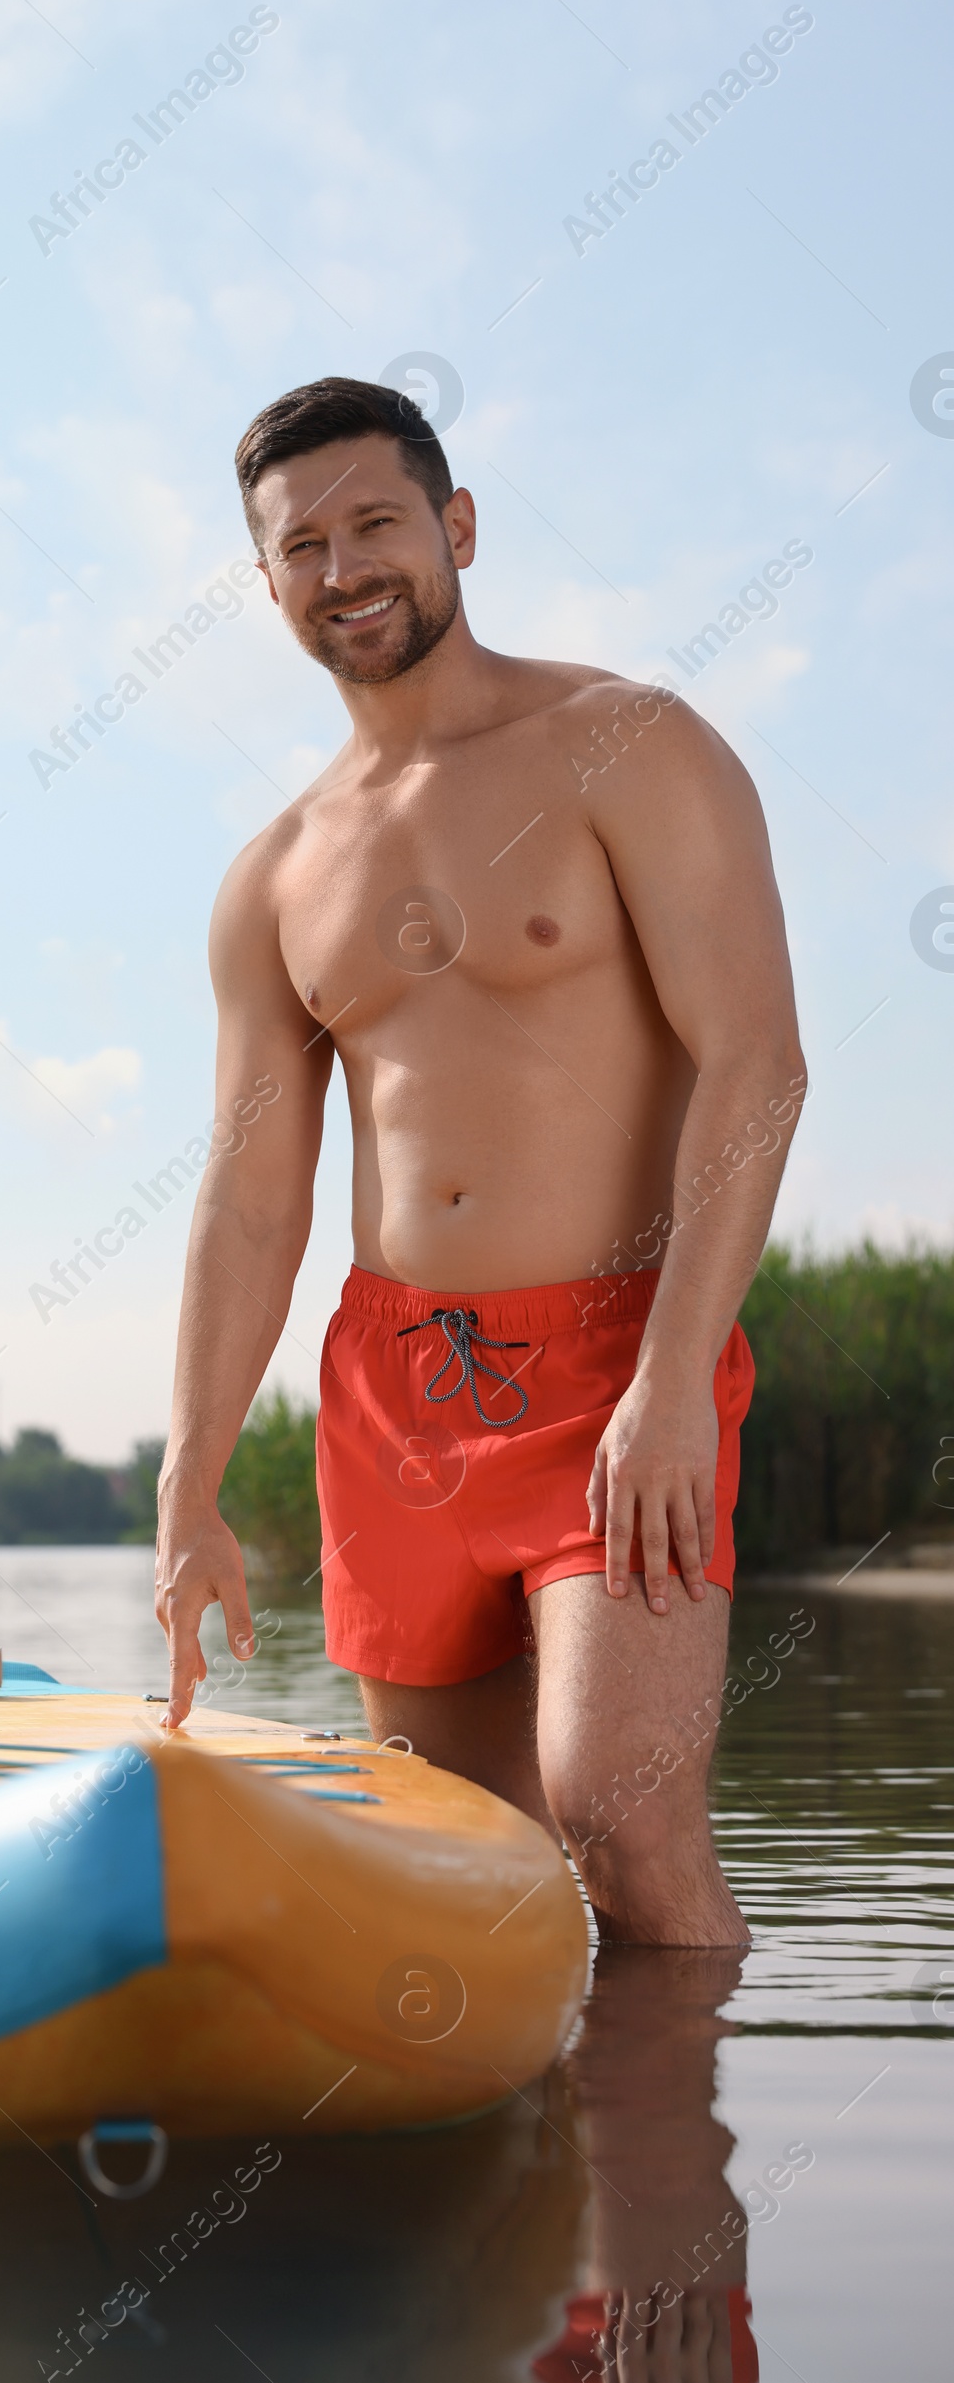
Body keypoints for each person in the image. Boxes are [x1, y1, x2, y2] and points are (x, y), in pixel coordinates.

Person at [154, 377, 805, 1945]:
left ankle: (682, 2183)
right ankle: (540, 2189)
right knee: (474, 1880)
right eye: (300, 544)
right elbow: (253, 1200)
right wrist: (190, 1480)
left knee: (619, 1812)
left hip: (612, 1359)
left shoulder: (624, 746)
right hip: (397, 1398)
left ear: (454, 527)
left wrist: (672, 1379)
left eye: (375, 521)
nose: (343, 566)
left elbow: (756, 1064)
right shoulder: (277, 875)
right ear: (268, 586)